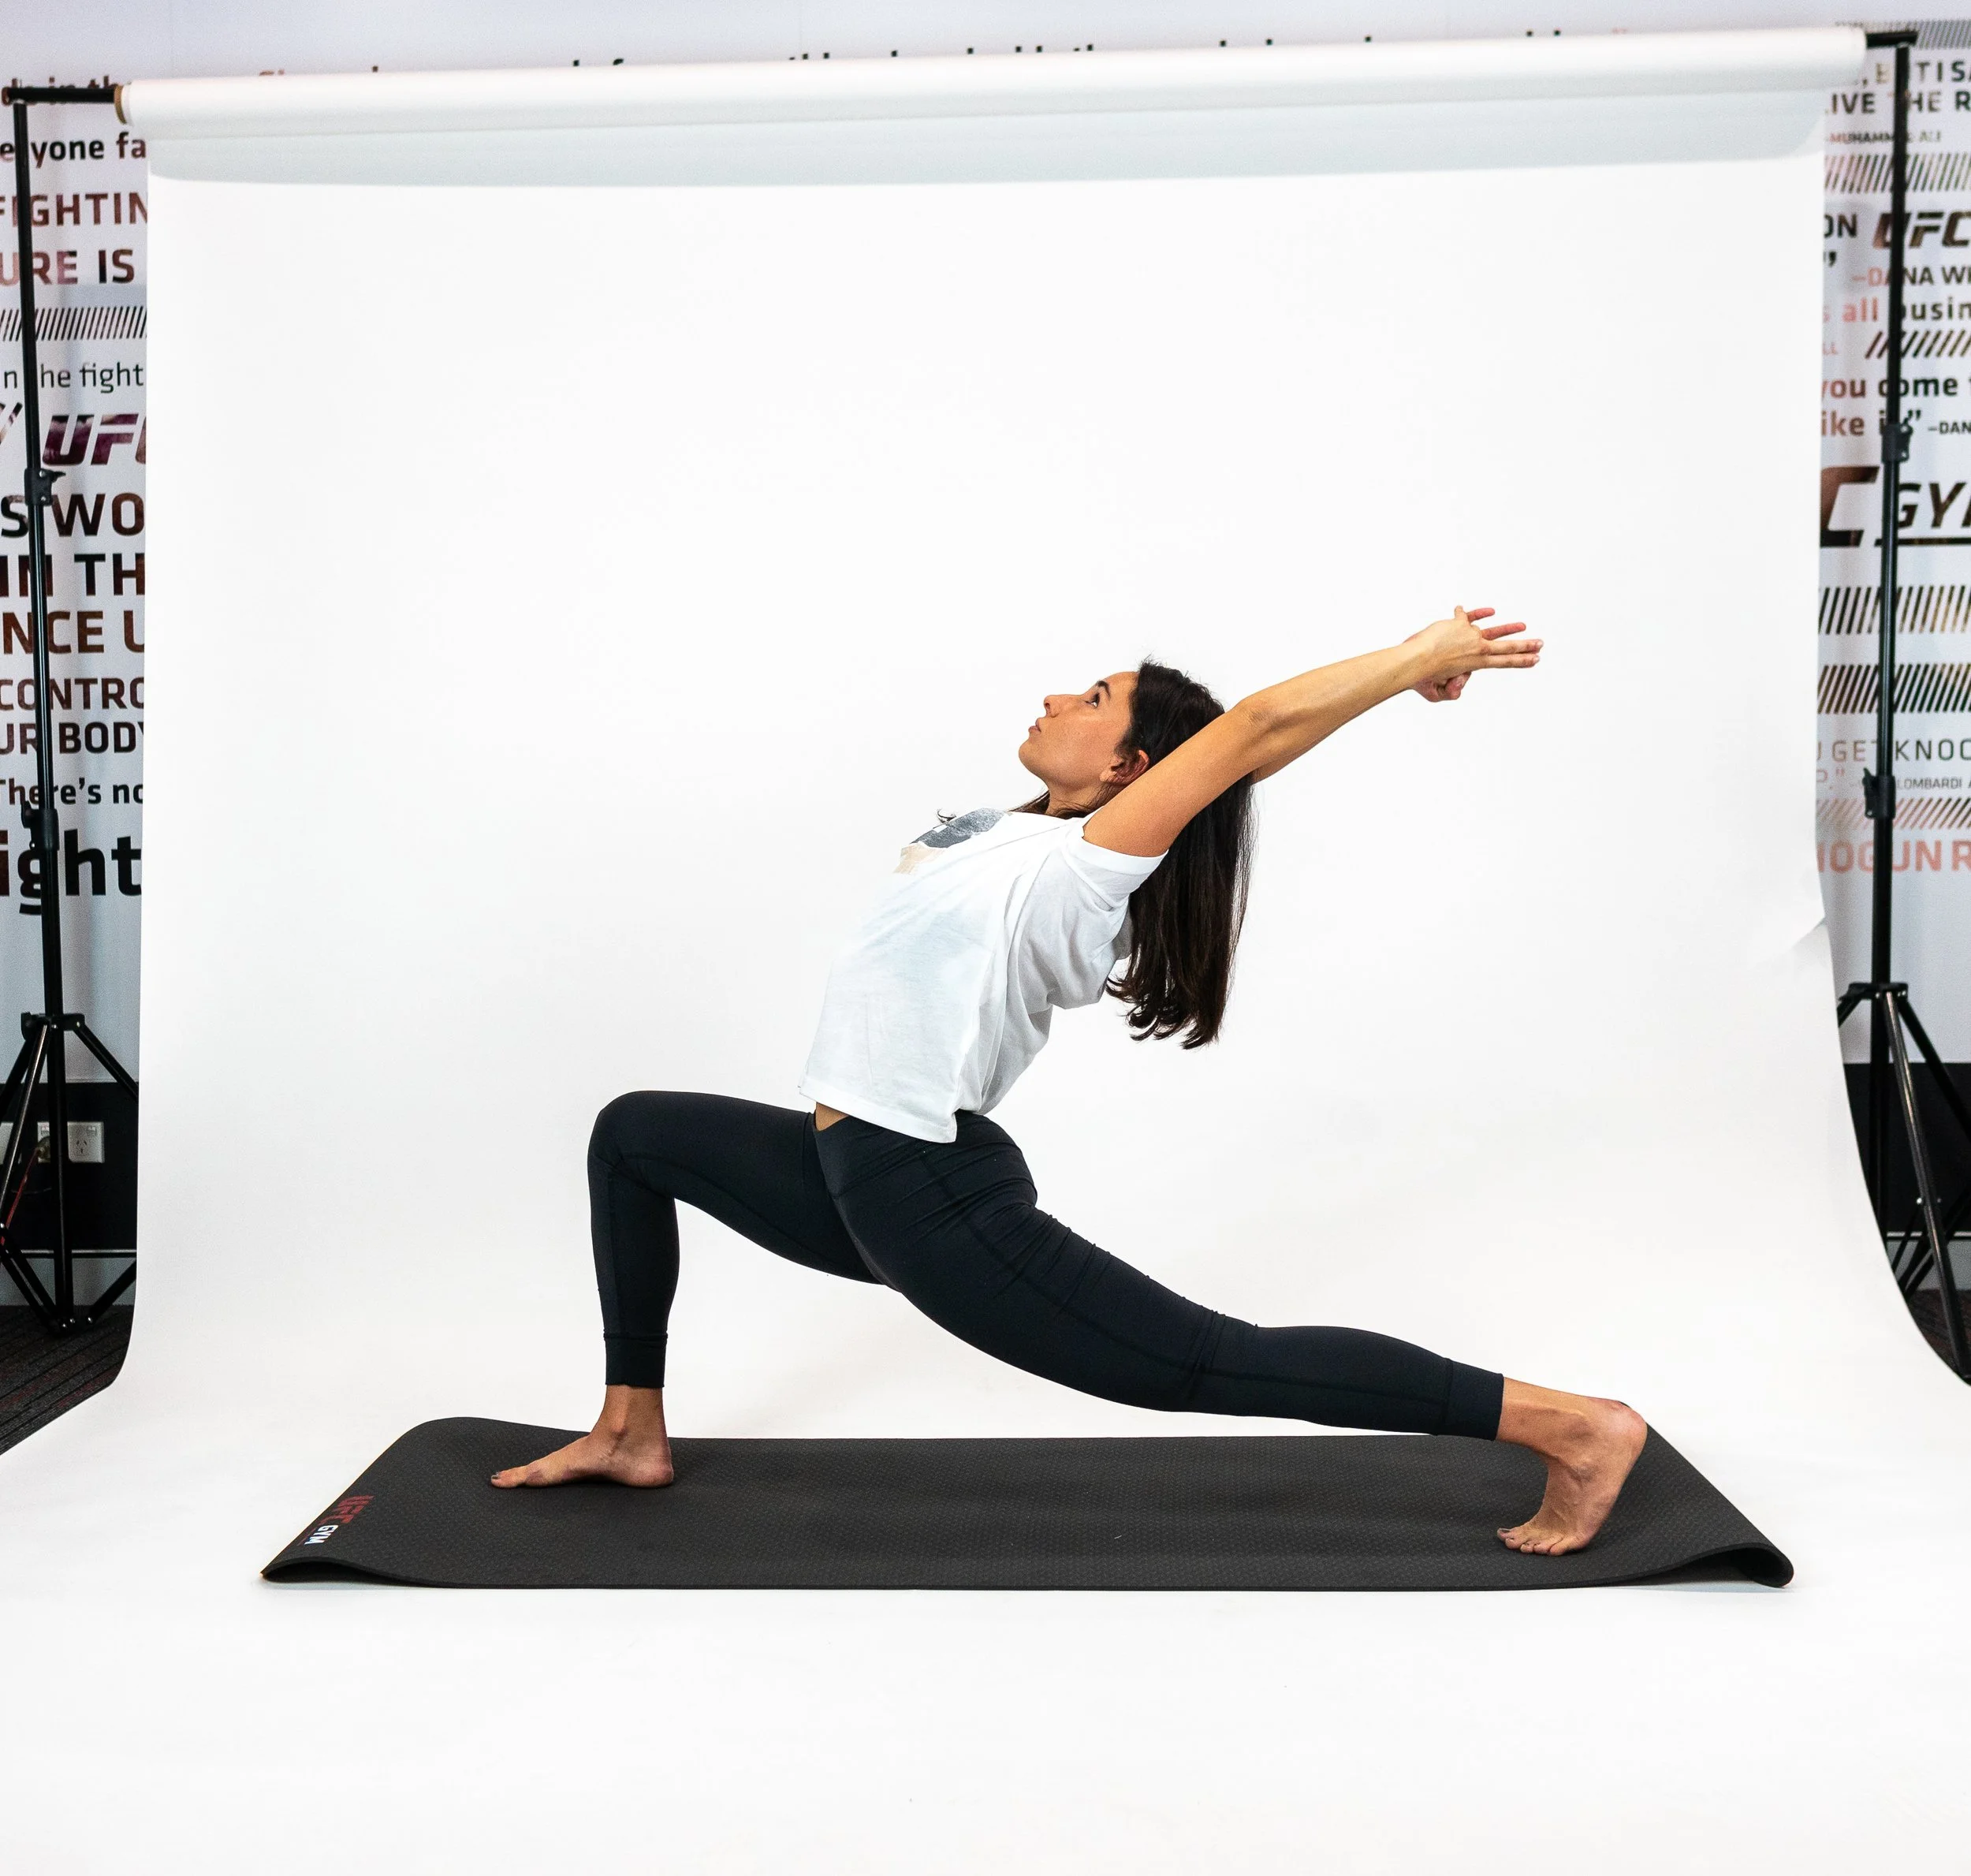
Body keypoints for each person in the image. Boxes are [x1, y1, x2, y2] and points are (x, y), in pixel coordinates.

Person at [494, 606, 1647, 1557]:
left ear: (1129, 769)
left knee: (1210, 1361)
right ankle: (630, 1428)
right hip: (850, 1166)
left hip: (924, 1194)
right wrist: (1370, 693)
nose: (1058, 698)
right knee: (635, 1133)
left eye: (1093, 699)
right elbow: (1241, 755)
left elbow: (1244, 735)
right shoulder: (1002, 829)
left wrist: (1414, 661)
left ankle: (1570, 1425)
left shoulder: (1081, 872)